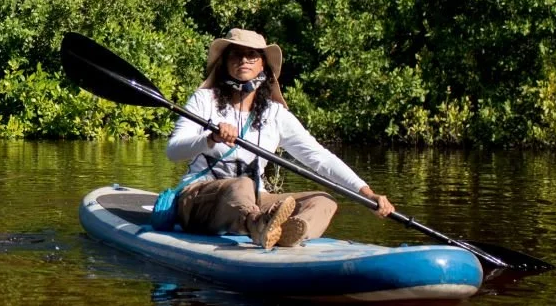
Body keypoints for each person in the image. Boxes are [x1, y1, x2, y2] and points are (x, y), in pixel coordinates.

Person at [164, 28, 393, 248]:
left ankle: (291, 233)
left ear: (263, 64)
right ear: (224, 62)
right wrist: (210, 138)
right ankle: (260, 225)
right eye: (236, 54)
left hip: (255, 198)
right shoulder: (204, 99)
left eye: (252, 55)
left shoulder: (275, 113)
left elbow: (319, 158)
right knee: (242, 184)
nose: (244, 60)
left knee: (323, 200)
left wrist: (366, 193)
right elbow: (173, 151)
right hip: (198, 198)